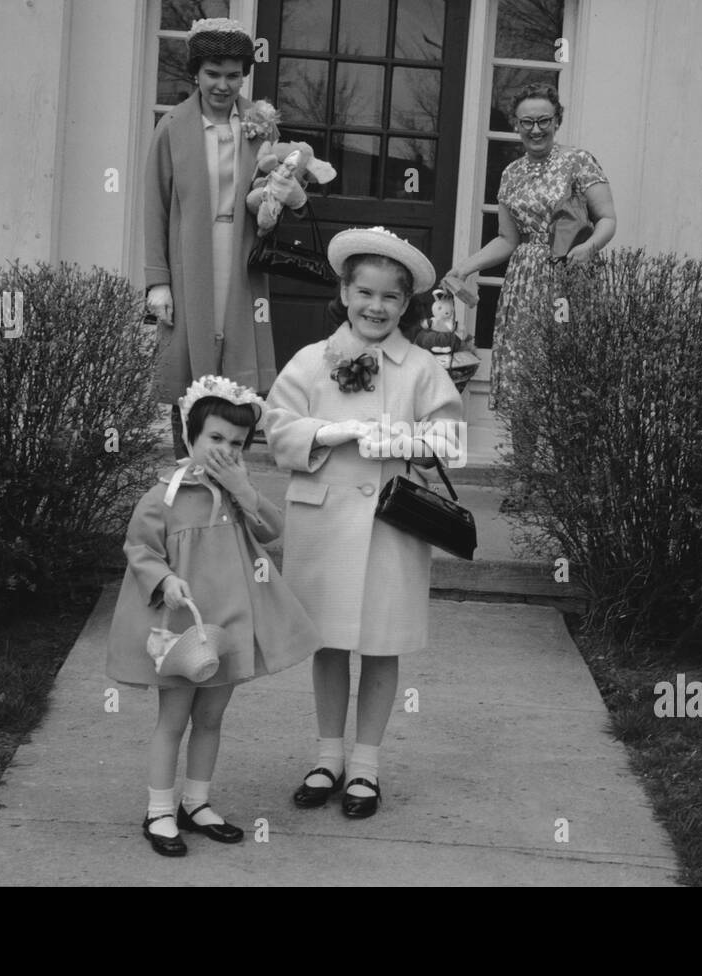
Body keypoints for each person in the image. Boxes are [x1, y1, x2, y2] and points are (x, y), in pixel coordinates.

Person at [263, 227, 464, 819]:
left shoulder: (421, 367)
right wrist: (332, 431)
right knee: (328, 642)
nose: (376, 307)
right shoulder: (310, 361)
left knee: (380, 643)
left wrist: (405, 437)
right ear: (345, 293)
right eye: (365, 293)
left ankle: (367, 766)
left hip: (389, 527)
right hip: (325, 525)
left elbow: (449, 435)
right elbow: (277, 427)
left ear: (406, 305)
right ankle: (328, 757)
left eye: (390, 298)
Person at [106, 375, 320, 856]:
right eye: (215, 439)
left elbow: (272, 530)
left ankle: (196, 802)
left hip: (229, 625)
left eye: (236, 443)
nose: (225, 450)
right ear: (190, 436)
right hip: (182, 629)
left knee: (212, 716)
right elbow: (140, 548)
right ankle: (160, 810)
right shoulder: (164, 496)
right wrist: (164, 579)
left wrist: (243, 486)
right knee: (174, 718)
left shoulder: (235, 494)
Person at [144, 18, 277, 461]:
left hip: (241, 256)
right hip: (191, 258)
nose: (223, 84)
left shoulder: (260, 125)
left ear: (244, 75)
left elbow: (273, 188)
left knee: (237, 363)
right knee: (189, 367)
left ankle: (231, 471)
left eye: (233, 74)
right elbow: (155, 206)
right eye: (213, 73)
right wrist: (157, 280)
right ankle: (189, 468)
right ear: (196, 73)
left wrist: (278, 203)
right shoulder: (173, 127)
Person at [445, 83, 616, 418]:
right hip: (524, 286)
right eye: (527, 122)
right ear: (516, 124)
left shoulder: (579, 161)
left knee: (566, 375)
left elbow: (607, 219)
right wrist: (465, 267)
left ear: (557, 121)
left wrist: (589, 249)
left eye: (544, 121)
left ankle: (566, 469)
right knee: (526, 378)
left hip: (569, 276)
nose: (535, 130)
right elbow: (507, 240)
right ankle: (525, 470)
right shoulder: (511, 174)